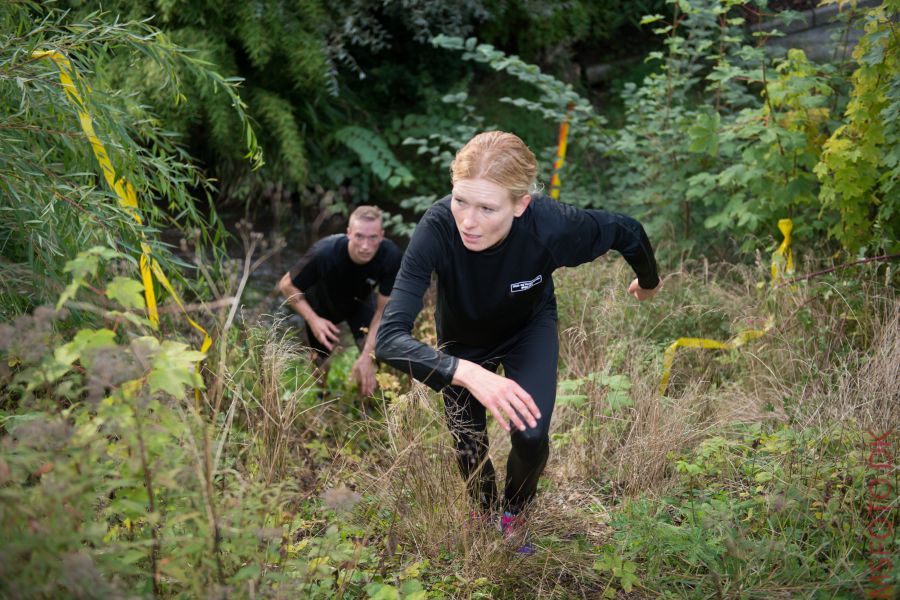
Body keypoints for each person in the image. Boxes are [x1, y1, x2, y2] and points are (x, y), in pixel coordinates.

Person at [375, 131, 660, 553]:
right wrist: (465, 372)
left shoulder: (553, 227)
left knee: (530, 435)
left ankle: (514, 514)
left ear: (521, 204)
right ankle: (483, 509)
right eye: (460, 200)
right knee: (469, 442)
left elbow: (627, 231)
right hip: (462, 340)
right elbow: (388, 340)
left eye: (487, 208)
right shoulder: (437, 227)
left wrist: (649, 282)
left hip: (528, 329)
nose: (467, 221)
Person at [279, 205, 402, 395]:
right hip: (322, 307)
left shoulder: (390, 256)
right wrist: (313, 320)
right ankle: (323, 397)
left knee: (373, 353)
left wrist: (367, 356)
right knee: (319, 360)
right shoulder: (324, 253)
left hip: (359, 302)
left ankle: (366, 404)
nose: (365, 246)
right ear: (348, 233)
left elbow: (383, 310)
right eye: (359, 236)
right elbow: (286, 285)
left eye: (373, 238)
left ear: (382, 235)